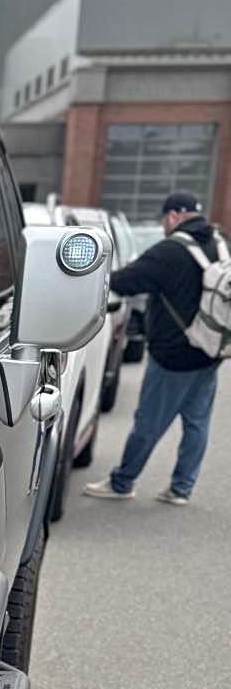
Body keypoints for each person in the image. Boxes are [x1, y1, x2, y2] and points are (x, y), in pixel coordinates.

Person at [83, 190, 227, 506]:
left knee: (148, 422)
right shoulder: (219, 244)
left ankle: (122, 483)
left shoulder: (169, 251)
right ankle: (181, 488)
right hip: (210, 351)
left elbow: (121, 281)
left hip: (172, 356)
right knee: (197, 423)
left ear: (173, 216)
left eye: (165, 219)